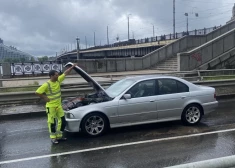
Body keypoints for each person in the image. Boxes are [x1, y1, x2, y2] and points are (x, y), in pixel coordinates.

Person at [35, 64, 76, 144]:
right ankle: (53, 138)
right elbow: (37, 92)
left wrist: (71, 67)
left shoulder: (58, 80)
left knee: (62, 121)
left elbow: (65, 73)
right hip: (51, 107)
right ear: (51, 76)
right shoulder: (47, 84)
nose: (58, 76)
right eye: (56, 75)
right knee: (52, 122)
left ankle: (59, 136)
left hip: (58, 106)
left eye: (58, 75)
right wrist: (44, 98)